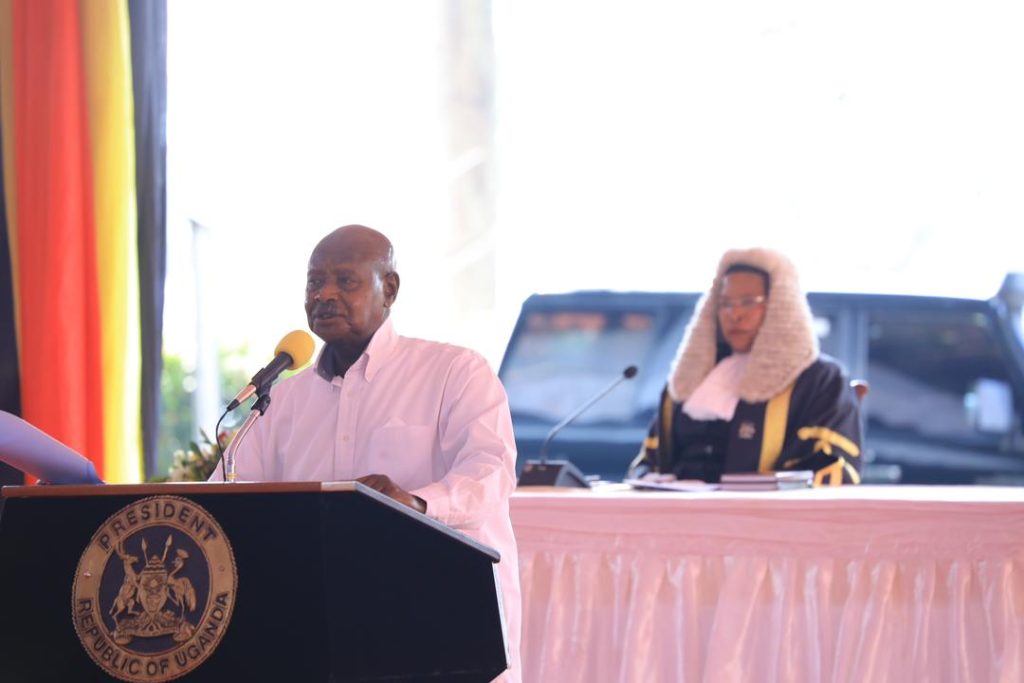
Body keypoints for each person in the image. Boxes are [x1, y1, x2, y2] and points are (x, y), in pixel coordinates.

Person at [210, 225, 521, 681]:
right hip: (322, 634)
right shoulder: (283, 402)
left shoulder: (454, 372)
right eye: (315, 281)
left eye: (346, 280)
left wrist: (418, 503)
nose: (325, 294)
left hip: (440, 625)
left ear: (388, 289)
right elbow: (225, 493)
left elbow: (491, 472)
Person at [629, 247, 862, 486]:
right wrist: (647, 478)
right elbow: (649, 462)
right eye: (725, 303)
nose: (735, 314)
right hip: (677, 516)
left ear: (781, 305)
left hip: (764, 518)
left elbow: (834, 470)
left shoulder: (819, 379)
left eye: (748, 302)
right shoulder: (689, 378)